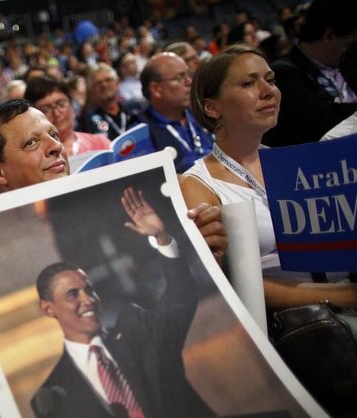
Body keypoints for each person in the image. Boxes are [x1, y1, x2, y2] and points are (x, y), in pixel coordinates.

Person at [0, 100, 226, 418]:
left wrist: (200, 243)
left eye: (53, 135)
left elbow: (181, 297)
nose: (54, 145)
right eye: (32, 143)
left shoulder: (134, 324)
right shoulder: (47, 396)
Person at [32, 188, 213, 418]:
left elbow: (180, 300)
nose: (89, 299)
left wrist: (162, 240)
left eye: (90, 289)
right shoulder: (51, 396)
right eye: (72, 294)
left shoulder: (137, 329)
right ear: (48, 309)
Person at [181, 44, 357, 307]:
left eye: (270, 80)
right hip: (295, 326)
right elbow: (229, 283)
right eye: (249, 84)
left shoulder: (296, 163)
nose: (268, 91)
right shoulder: (198, 185)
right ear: (211, 107)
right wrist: (346, 296)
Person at [263, 0, 357, 146]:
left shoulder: (349, 63)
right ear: (328, 35)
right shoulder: (283, 73)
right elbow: (320, 119)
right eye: (347, 42)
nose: (350, 48)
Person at [138, 52, 214, 172]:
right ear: (156, 89)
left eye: (188, 75)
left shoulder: (204, 112)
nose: (189, 82)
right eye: (179, 77)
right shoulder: (140, 133)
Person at [25, 77, 111, 158]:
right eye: (46, 109)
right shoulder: (34, 158)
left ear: (72, 107)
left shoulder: (99, 143)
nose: (56, 113)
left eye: (61, 105)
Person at [78, 63, 141, 141]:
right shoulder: (86, 120)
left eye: (108, 80)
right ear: (92, 90)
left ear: (117, 83)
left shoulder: (135, 110)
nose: (104, 85)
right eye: (98, 83)